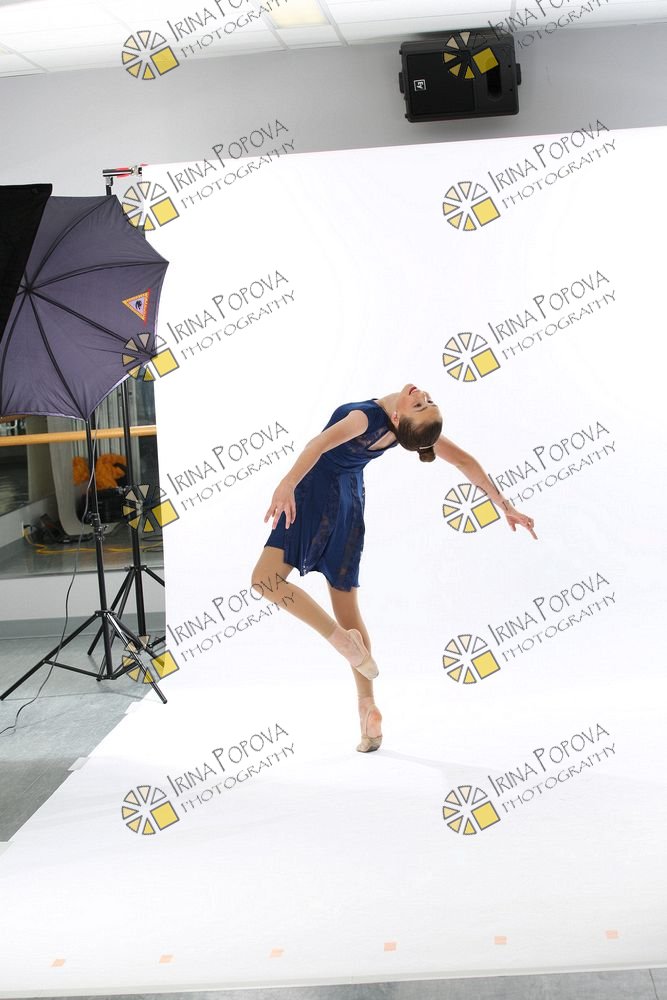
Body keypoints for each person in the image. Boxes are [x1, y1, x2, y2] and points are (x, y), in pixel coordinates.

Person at [251, 384, 537, 754]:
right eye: (426, 402)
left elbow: (317, 445)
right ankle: (368, 711)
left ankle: (339, 640)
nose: (422, 395)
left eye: (420, 404)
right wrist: (505, 505)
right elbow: (465, 462)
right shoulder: (406, 433)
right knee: (348, 609)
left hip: (315, 495)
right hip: (350, 504)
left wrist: (287, 483)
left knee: (265, 580)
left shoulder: (364, 419)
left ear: (399, 418)